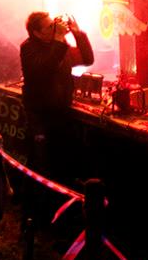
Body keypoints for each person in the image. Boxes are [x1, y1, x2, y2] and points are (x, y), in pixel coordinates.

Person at [20, 12, 93, 184]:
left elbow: (87, 59)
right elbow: (45, 68)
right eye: (50, 26)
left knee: (61, 164)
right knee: (42, 164)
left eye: (54, 24)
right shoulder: (28, 48)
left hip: (61, 113)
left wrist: (78, 34)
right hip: (41, 117)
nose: (54, 28)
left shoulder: (59, 46)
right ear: (37, 32)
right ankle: (36, 204)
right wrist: (59, 38)